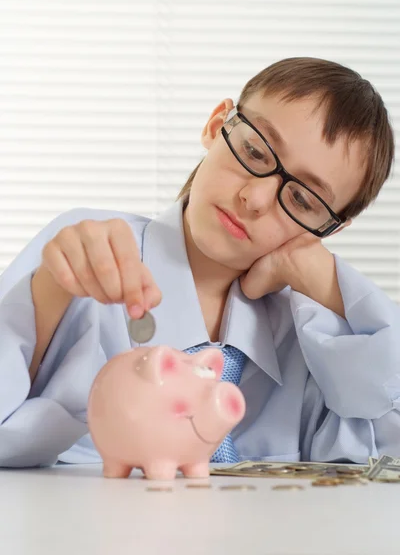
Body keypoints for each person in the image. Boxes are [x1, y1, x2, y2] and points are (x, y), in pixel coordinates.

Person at [0, 57, 399, 469]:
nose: (255, 199)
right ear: (216, 125)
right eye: (254, 150)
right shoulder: (85, 252)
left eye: (302, 199)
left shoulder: (318, 343)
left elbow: (384, 456)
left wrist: (331, 284)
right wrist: (50, 290)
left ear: (328, 230)